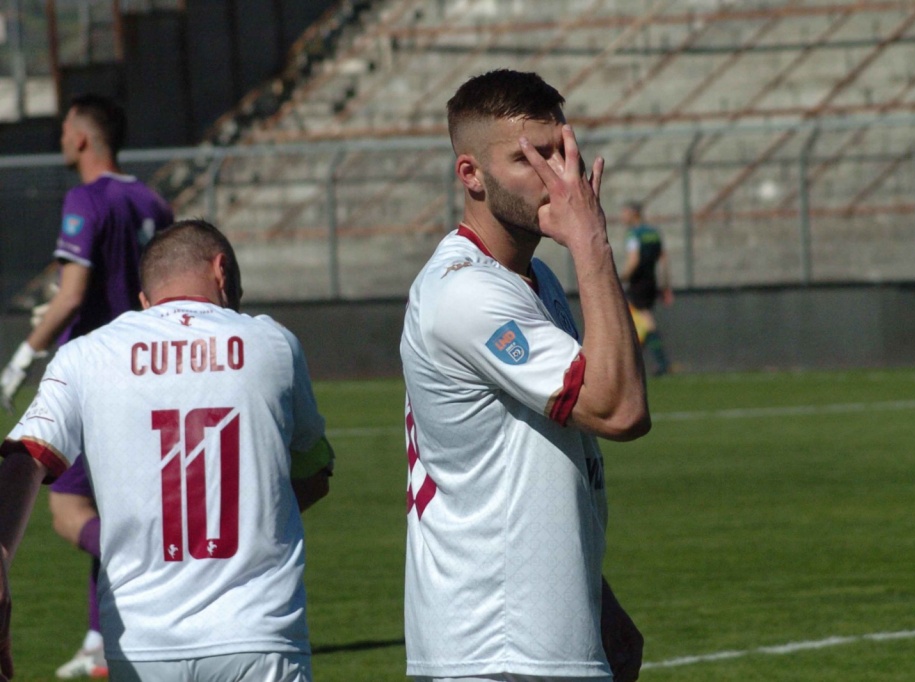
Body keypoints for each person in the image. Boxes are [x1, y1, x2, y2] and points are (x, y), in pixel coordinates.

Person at [0, 219, 333, 682]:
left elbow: (26, 456)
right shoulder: (273, 343)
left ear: (144, 301)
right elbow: (317, 471)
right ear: (222, 271)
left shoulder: (85, 356)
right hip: (257, 634)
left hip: (140, 645)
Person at [401, 69, 650, 682]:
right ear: (471, 175)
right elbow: (620, 411)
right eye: (527, 159)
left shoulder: (530, 283)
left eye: (561, 152)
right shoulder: (467, 293)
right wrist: (592, 244)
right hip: (499, 648)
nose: (555, 177)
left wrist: (595, 596)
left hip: (528, 638)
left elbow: (529, 469)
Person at [0, 93, 175, 678]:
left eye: (64, 130)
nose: (60, 141)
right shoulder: (153, 199)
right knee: (114, 508)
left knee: (69, 513)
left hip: (93, 378)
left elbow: (72, 295)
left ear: (80, 138)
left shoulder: (87, 197)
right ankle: (101, 641)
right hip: (151, 375)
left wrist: (22, 358)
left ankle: (166, 567)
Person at [619, 201, 672, 376]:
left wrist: (621, 277)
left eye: (625, 212)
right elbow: (664, 259)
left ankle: (661, 362)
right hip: (651, 281)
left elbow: (633, 261)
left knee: (643, 321)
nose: (622, 216)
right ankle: (636, 363)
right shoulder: (653, 233)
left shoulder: (634, 234)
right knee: (638, 320)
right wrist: (665, 284)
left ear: (634, 213)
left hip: (637, 283)